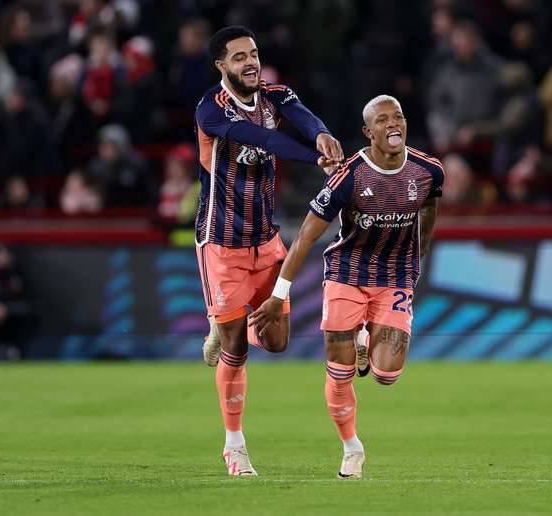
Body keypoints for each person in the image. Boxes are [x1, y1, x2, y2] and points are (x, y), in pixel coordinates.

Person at [249, 95, 442, 479]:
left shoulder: (428, 171)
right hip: (347, 275)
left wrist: (417, 258)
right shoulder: (349, 176)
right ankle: (351, 447)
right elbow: (306, 236)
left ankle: (365, 336)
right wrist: (278, 295)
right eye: (382, 120)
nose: (393, 124)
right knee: (339, 374)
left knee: (387, 375)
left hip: (395, 278)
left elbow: (429, 210)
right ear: (368, 132)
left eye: (398, 117)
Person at [194, 25, 343, 476]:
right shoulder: (210, 109)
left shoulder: (275, 95)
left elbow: (304, 118)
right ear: (221, 66)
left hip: (266, 240)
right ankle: (234, 446)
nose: (251, 62)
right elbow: (264, 140)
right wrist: (313, 157)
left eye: (254, 54)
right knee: (237, 347)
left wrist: (321, 136)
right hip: (222, 243)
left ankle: (225, 319)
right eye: (239, 57)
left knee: (277, 342)